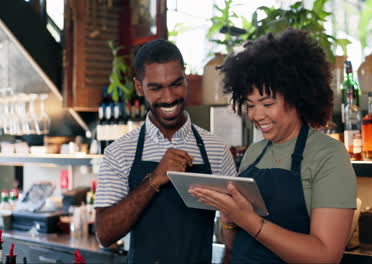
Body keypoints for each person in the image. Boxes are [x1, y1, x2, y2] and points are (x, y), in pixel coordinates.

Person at [189, 29, 357, 263]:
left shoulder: (328, 156)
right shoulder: (254, 154)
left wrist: (248, 219)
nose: (257, 115)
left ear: (297, 96)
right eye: (250, 105)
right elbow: (233, 244)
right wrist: (228, 216)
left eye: (267, 103)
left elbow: (325, 256)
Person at [94, 39, 237, 264]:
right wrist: (153, 180)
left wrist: (231, 217)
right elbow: (104, 234)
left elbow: (234, 243)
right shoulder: (119, 152)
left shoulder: (216, 150)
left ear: (186, 79)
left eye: (176, 84)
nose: (169, 97)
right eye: (156, 88)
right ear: (139, 87)